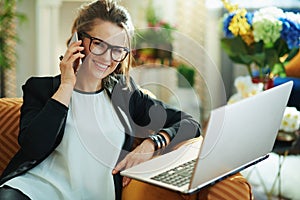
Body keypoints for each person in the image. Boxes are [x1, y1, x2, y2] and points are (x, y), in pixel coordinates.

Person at [0, 0, 201, 199]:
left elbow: (189, 123)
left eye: (117, 50)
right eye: (98, 44)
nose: (107, 57)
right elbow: (34, 147)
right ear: (77, 40)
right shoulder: (40, 89)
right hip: (32, 191)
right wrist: (67, 85)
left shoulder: (126, 94)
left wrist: (151, 143)